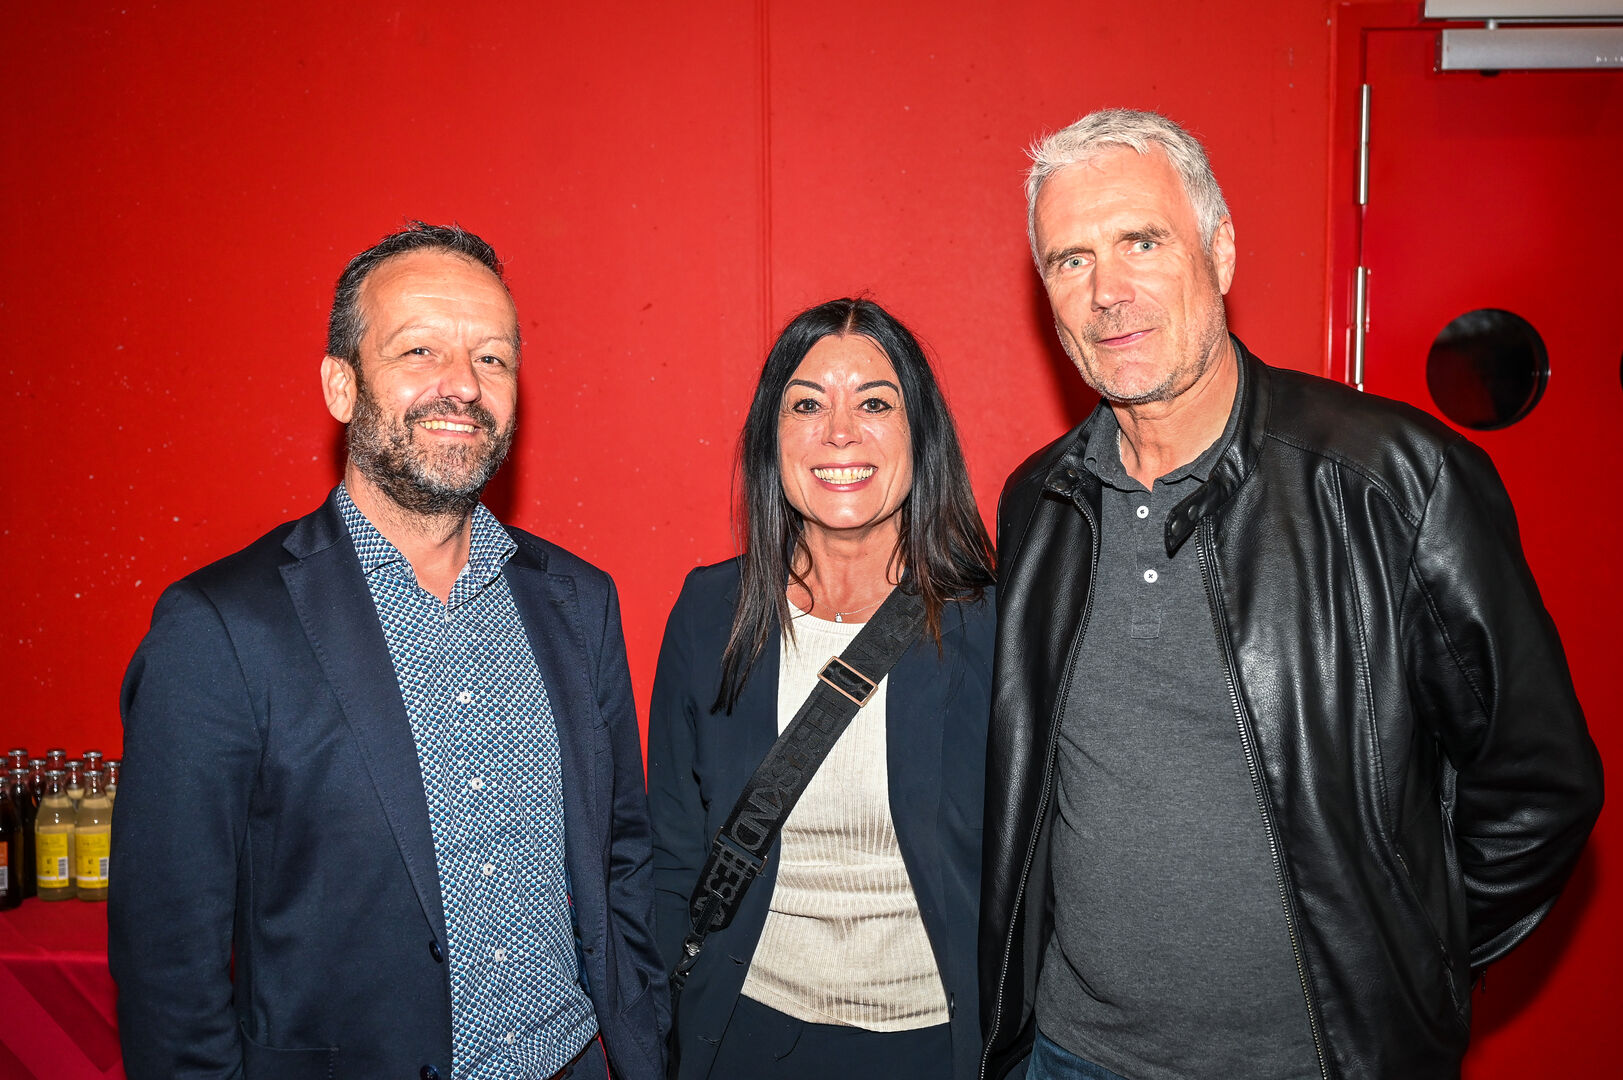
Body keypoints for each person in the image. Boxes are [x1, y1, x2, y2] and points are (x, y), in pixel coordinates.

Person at [980, 110, 1604, 1080]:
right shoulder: (1039, 503)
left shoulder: (1393, 480)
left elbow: (1539, 785)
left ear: (1220, 252)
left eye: (1141, 241)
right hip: (1071, 1057)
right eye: (1070, 260)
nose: (1107, 291)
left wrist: (1411, 960)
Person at [109, 223, 666, 1080]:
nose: (463, 385)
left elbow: (622, 856)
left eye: (492, 358)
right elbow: (168, 963)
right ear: (341, 385)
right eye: (418, 350)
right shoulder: (219, 628)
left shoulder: (578, 602)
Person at [649, 298, 996, 1080]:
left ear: (921, 433)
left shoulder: (994, 627)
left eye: (874, 403)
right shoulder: (711, 613)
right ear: (770, 441)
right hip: (740, 1037)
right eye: (806, 405)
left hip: (936, 1045)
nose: (839, 432)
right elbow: (671, 852)